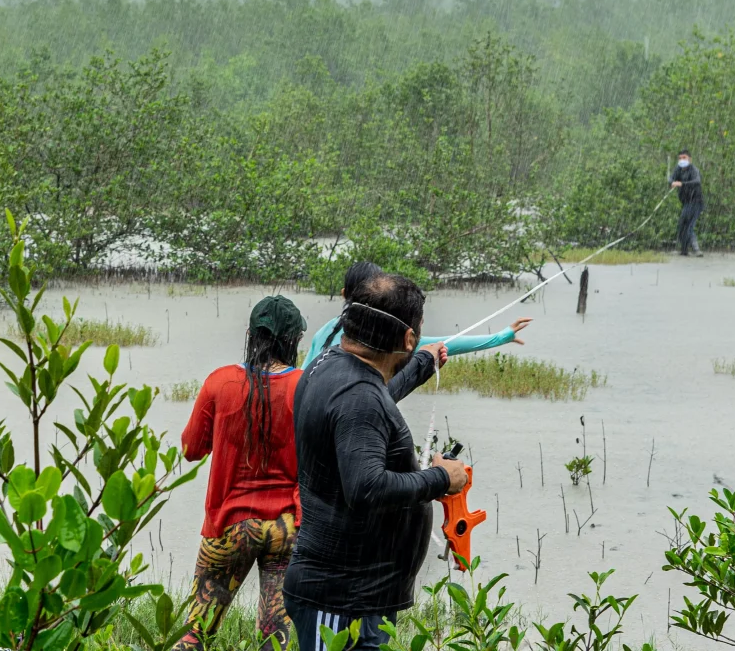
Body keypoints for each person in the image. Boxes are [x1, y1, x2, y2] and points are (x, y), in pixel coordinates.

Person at [285, 275, 470, 651]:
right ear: (407, 337)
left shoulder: (329, 364)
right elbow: (365, 487)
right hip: (339, 602)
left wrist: (421, 365)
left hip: (360, 598)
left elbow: (374, 397)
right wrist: (441, 478)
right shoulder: (358, 397)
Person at [173, 295, 309, 651]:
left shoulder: (220, 383)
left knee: (195, 632)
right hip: (288, 526)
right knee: (275, 632)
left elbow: (190, 450)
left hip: (230, 524)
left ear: (250, 333)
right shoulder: (306, 386)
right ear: (293, 341)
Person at [300, 262, 531, 371]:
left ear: (344, 295)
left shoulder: (328, 329)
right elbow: (448, 343)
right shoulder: (381, 337)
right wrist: (502, 337)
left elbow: (301, 376)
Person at [669, 149, 705, 257]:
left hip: (696, 202)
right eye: (680, 158)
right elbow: (671, 178)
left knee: (689, 226)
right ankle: (684, 250)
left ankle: (696, 249)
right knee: (681, 225)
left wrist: (682, 184)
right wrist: (672, 182)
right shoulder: (678, 170)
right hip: (686, 203)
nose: (681, 160)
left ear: (690, 159)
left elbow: (697, 181)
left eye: (684, 158)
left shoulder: (694, 170)